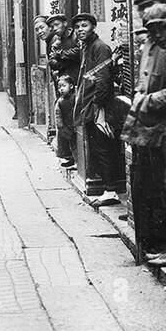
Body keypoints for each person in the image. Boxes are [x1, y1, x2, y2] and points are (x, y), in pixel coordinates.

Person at [121, 2, 166, 256]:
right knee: (146, 183)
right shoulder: (150, 47)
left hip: (165, 126)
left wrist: (147, 101)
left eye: (160, 27)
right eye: (151, 28)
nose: (155, 33)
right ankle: (150, 241)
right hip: (145, 125)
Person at [71, 12, 124, 206]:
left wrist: (98, 106)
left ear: (93, 27)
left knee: (104, 148)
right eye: (77, 27)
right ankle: (107, 189)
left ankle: (111, 191)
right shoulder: (87, 47)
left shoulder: (100, 47)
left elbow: (103, 79)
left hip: (99, 106)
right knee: (98, 147)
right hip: (90, 105)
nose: (80, 30)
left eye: (84, 25)